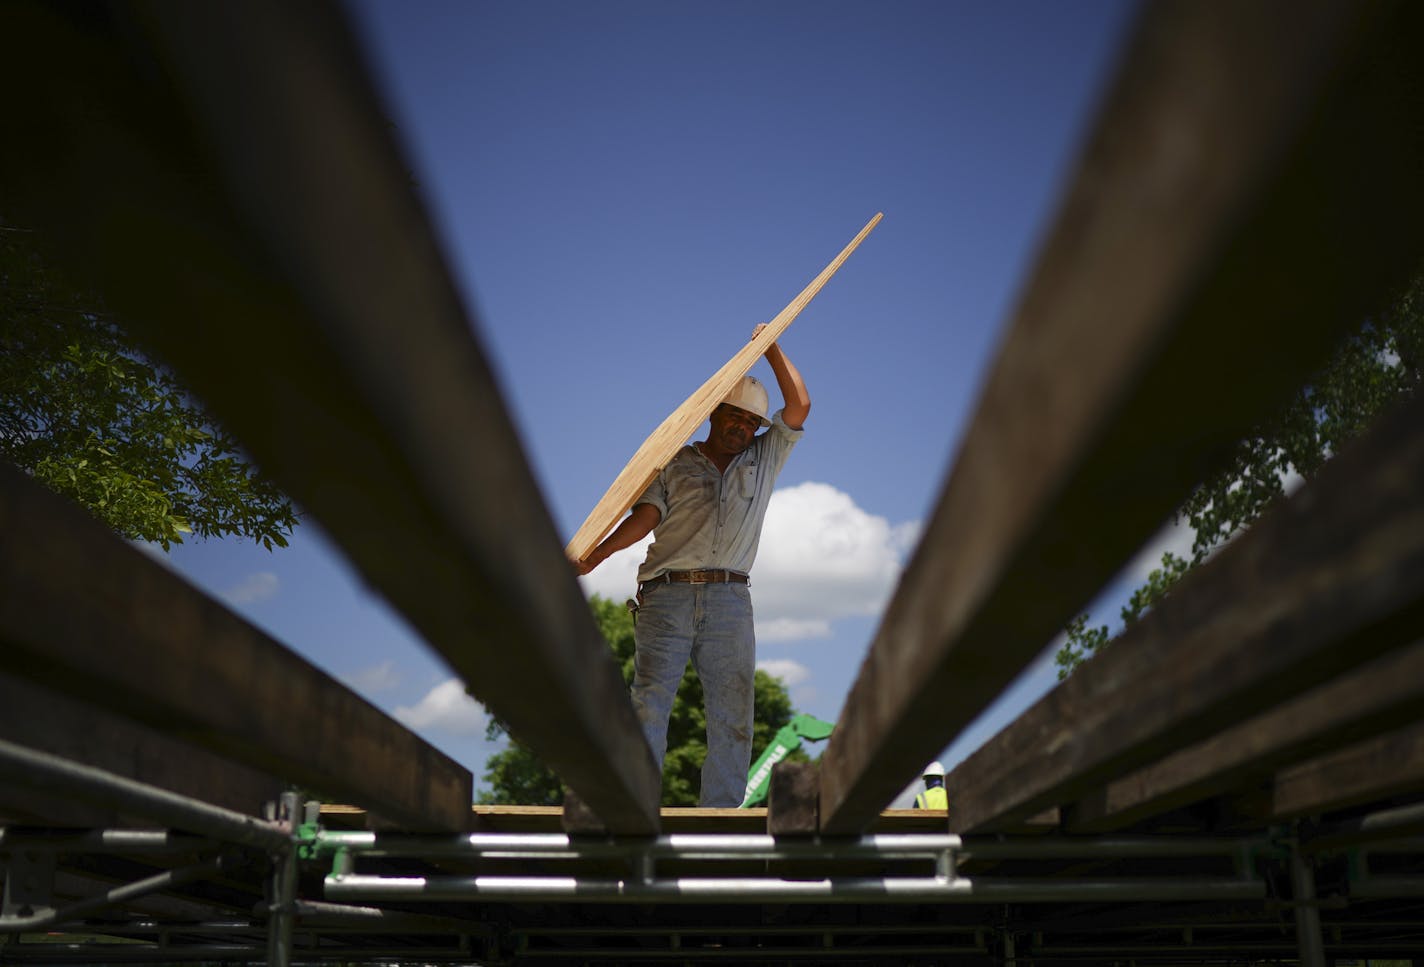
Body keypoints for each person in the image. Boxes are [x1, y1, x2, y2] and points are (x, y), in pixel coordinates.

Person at [575, 324, 809, 806]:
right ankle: (636, 807)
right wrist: (595, 555)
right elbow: (644, 520)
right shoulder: (674, 463)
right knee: (649, 706)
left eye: (751, 422)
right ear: (714, 415)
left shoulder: (763, 459)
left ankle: (720, 821)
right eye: (736, 417)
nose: (744, 428)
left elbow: (800, 407)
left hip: (730, 599)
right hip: (666, 595)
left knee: (733, 715)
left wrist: (772, 348)